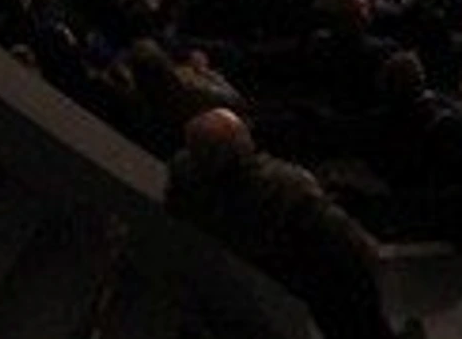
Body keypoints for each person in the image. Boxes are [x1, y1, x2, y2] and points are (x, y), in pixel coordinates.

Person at [165, 108, 421, 339]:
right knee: (352, 304)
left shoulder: (187, 186)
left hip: (262, 277)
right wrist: (368, 251)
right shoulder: (285, 187)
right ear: (243, 146)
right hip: (312, 269)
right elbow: (340, 234)